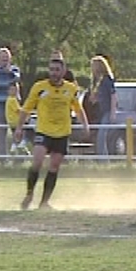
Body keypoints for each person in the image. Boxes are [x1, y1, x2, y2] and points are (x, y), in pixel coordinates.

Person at [15, 55, 89, 210]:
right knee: (37, 161)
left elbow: (78, 108)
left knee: (54, 166)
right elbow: (27, 108)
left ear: (63, 71)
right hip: (43, 130)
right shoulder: (39, 87)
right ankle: (29, 194)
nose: (53, 73)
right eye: (51, 70)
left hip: (62, 133)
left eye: (57, 70)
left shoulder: (71, 89)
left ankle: (44, 202)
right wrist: (19, 127)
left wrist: (85, 125)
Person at [0, 47, 21, 159]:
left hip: (12, 103)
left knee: (16, 129)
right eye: (2, 57)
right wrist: (4, 80)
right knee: (0, 130)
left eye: (6, 56)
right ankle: (2, 159)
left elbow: (15, 79)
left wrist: (6, 76)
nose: (4, 59)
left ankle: (18, 156)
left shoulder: (15, 70)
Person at [91, 55, 117, 160]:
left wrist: (113, 112)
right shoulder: (98, 81)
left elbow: (113, 96)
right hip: (100, 112)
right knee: (99, 137)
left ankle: (103, 161)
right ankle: (102, 159)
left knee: (102, 136)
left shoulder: (107, 80)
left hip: (107, 111)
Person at [5, 83, 22, 154]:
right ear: (8, 91)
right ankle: (15, 147)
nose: (13, 91)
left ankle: (19, 149)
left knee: (17, 136)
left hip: (11, 121)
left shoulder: (9, 99)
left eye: (15, 90)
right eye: (11, 90)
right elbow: (18, 110)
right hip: (15, 121)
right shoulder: (12, 100)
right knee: (22, 134)